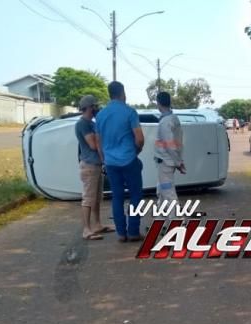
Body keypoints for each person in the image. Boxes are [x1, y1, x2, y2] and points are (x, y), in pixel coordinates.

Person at [95, 81, 145, 242]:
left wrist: (104, 159)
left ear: (109, 94)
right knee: (135, 195)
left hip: (110, 163)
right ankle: (133, 231)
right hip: (129, 160)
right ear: (123, 93)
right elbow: (139, 138)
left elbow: (98, 142)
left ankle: (121, 233)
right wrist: (136, 151)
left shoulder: (101, 115)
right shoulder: (129, 112)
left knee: (117, 197)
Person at [75, 94, 112, 240]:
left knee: (96, 198)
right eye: (95, 106)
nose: (97, 108)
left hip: (96, 165)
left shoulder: (91, 123)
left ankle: (97, 225)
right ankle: (86, 229)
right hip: (89, 166)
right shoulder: (82, 124)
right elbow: (93, 144)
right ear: (89, 107)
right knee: (88, 198)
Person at [154, 91, 186, 221]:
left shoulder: (165, 122)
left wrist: (178, 162)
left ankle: (178, 221)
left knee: (168, 192)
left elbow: (169, 145)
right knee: (162, 190)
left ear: (158, 103)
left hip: (165, 162)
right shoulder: (174, 119)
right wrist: (179, 161)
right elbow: (177, 143)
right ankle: (160, 219)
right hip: (169, 162)